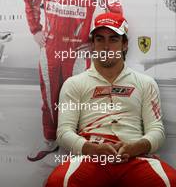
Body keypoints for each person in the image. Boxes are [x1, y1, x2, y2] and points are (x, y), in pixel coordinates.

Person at [24, 0, 123, 161]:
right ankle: (50, 140)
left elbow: (116, 8)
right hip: (49, 48)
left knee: (77, 98)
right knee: (50, 97)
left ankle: (76, 147)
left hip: (78, 51)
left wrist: (97, 40)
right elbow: (29, 1)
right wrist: (36, 30)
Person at [45, 12, 176, 186]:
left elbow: (157, 131)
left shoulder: (146, 83)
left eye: (113, 39)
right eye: (100, 39)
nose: (106, 46)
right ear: (93, 44)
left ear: (125, 44)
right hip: (90, 157)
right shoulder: (74, 83)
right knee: (58, 182)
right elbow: (63, 132)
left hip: (135, 157)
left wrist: (136, 147)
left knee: (170, 181)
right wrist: (92, 149)